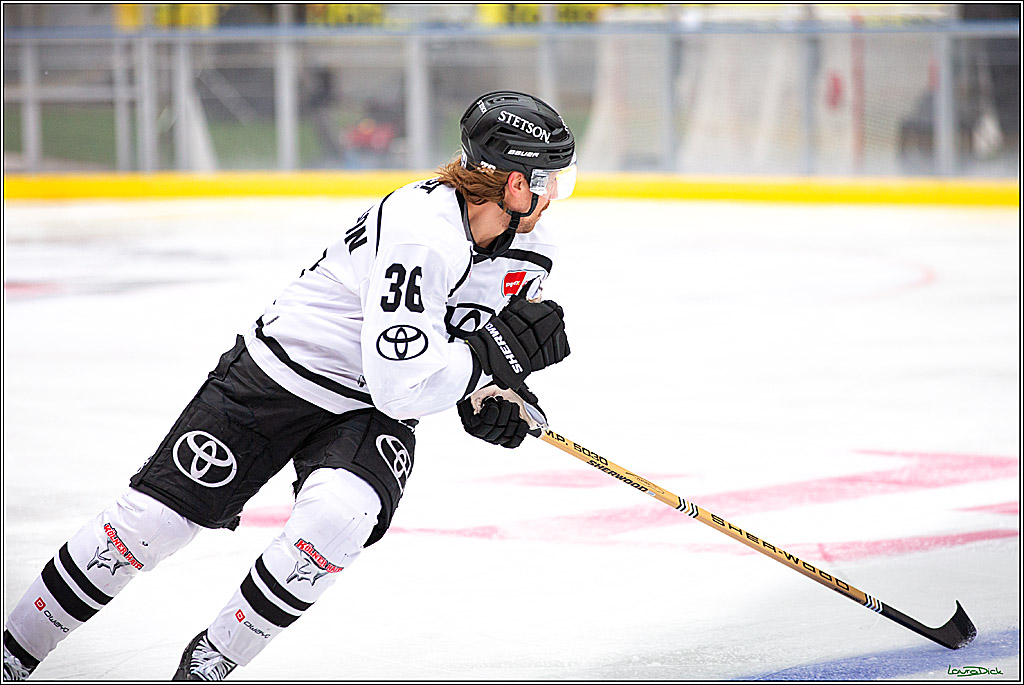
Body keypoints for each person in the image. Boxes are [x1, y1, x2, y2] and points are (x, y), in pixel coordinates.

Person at [2, 90, 577, 681]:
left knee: (340, 518)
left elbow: (461, 339)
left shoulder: (533, 248)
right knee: (147, 527)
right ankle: (11, 657)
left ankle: (211, 662)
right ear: (513, 183)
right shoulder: (421, 231)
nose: (556, 196)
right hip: (277, 377)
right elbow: (406, 384)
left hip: (364, 409)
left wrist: (494, 396)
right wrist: (490, 363)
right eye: (551, 181)